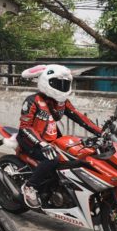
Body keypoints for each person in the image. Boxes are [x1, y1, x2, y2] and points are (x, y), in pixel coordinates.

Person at [17, 64, 102, 208]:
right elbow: (25, 127)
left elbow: (80, 118)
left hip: (51, 138)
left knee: (77, 154)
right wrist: (41, 144)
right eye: (57, 83)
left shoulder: (62, 103)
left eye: (65, 84)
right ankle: (30, 186)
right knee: (53, 158)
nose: (62, 87)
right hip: (30, 140)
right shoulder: (32, 100)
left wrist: (100, 132)